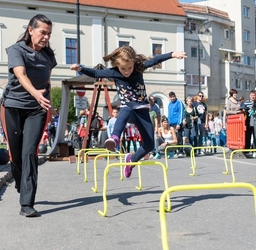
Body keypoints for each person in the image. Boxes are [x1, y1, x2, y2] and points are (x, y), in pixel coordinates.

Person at [70, 46, 187, 178]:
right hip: (129, 110)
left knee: (149, 145)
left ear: (133, 64)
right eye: (123, 69)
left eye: (129, 68)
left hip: (142, 111)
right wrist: (80, 68)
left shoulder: (139, 67)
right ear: (117, 66)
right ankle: (114, 137)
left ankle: (131, 161)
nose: (126, 72)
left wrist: (173, 54)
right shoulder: (113, 72)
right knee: (125, 108)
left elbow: (155, 60)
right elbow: (96, 73)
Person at [0, 14, 57, 217]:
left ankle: (27, 203)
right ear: (31, 30)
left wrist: (46, 103)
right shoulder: (17, 50)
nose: (46, 37)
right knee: (16, 156)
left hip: (37, 110)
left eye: (49, 34)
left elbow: (47, 81)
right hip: (13, 107)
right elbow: (21, 74)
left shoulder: (49, 56)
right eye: (43, 32)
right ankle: (20, 181)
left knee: (29, 153)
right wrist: (36, 94)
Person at [168, 91, 185, 157]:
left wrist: (179, 123)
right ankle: (174, 151)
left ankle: (180, 151)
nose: (172, 98)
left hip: (177, 123)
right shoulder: (170, 104)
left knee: (179, 137)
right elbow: (169, 114)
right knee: (173, 138)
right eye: (171, 97)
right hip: (171, 124)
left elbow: (181, 113)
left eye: (173, 97)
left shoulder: (179, 103)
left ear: (175, 96)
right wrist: (168, 123)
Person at [193, 92, 208, 156]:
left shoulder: (204, 104)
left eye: (202, 96)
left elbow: (206, 114)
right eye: (200, 96)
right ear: (197, 96)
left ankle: (199, 150)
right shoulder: (194, 104)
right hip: (195, 122)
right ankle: (195, 150)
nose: (201, 97)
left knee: (201, 137)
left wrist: (206, 123)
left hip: (202, 122)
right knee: (195, 136)